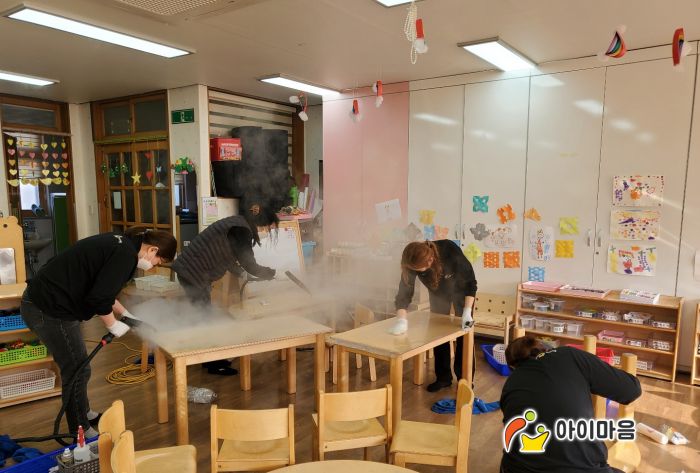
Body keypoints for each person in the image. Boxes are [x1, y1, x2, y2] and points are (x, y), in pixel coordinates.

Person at [20, 227, 177, 438]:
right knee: (77, 370)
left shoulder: (122, 244)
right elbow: (99, 298)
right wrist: (112, 325)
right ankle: (80, 431)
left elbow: (103, 289)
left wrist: (125, 314)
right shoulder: (125, 255)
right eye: (158, 262)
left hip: (46, 302)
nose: (153, 267)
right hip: (48, 310)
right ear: (153, 250)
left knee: (78, 366)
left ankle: (83, 412)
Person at [500, 336, 642, 473]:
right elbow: (631, 390)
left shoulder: (509, 385)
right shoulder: (568, 355)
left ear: (512, 366)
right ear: (543, 348)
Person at [172, 201, 278, 375]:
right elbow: (249, 264)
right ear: (262, 222)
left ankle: (207, 359)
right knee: (205, 317)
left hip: (190, 270)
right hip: (193, 272)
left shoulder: (236, 223)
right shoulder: (242, 230)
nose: (267, 231)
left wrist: (240, 273)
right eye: (268, 228)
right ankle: (213, 363)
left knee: (203, 315)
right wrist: (269, 273)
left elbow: (227, 255)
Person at [391, 240, 477, 392]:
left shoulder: (450, 251)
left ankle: (465, 379)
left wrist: (466, 312)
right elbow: (404, 293)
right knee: (437, 333)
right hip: (438, 294)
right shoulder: (412, 259)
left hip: (462, 291)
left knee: (464, 335)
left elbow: (470, 283)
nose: (419, 273)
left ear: (430, 260)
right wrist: (401, 319)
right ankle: (443, 378)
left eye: (421, 270)